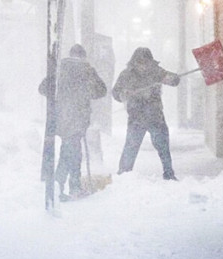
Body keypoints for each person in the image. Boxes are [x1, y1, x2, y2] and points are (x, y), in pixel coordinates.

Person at [38, 44, 107, 199]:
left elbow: (43, 88)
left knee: (72, 152)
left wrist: (59, 95)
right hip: (78, 118)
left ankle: (69, 187)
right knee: (70, 153)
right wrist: (83, 92)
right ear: (83, 56)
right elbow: (101, 91)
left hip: (60, 117)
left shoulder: (59, 69)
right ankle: (62, 186)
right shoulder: (87, 70)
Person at [112, 47, 180, 180]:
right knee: (131, 146)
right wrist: (123, 94)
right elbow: (115, 92)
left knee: (163, 146)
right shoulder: (126, 74)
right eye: (140, 63)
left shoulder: (157, 72)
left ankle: (169, 174)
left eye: (146, 62)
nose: (143, 66)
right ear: (134, 62)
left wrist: (171, 79)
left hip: (155, 116)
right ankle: (124, 174)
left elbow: (175, 81)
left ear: (150, 62)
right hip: (136, 117)